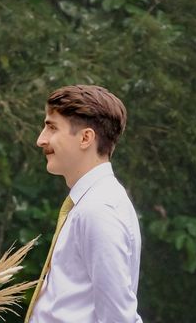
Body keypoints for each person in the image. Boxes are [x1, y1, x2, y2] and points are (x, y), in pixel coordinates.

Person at [25, 85, 142, 323]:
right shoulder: (89, 202)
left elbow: (118, 318)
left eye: (52, 127)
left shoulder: (99, 210)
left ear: (86, 138)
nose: (40, 140)